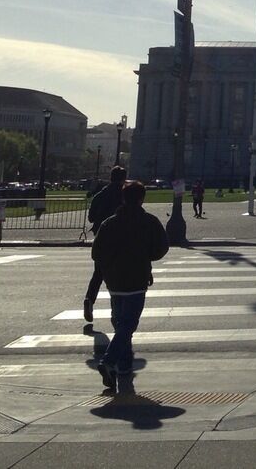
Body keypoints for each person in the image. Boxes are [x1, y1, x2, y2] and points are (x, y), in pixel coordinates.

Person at [91, 180, 169, 394]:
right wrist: (146, 258)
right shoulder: (149, 222)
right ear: (142, 198)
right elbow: (162, 248)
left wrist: (109, 266)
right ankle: (109, 361)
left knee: (120, 325)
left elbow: (96, 253)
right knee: (128, 325)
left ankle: (123, 368)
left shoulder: (109, 223)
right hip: (137, 280)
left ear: (123, 198)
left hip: (114, 282)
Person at [84, 165, 126, 324]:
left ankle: (89, 298)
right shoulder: (124, 195)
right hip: (120, 239)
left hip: (101, 237)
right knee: (118, 275)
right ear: (123, 178)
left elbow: (91, 218)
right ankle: (116, 311)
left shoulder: (100, 195)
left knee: (99, 272)